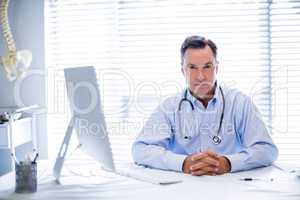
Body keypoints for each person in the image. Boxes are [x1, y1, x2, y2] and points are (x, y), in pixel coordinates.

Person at [132, 35, 278, 176]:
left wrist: (228, 163)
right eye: (192, 67)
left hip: (230, 188)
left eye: (207, 67)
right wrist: (183, 163)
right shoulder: (169, 107)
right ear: (182, 70)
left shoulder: (240, 103)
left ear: (217, 68)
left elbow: (267, 150)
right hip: (182, 188)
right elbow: (140, 150)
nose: (201, 76)